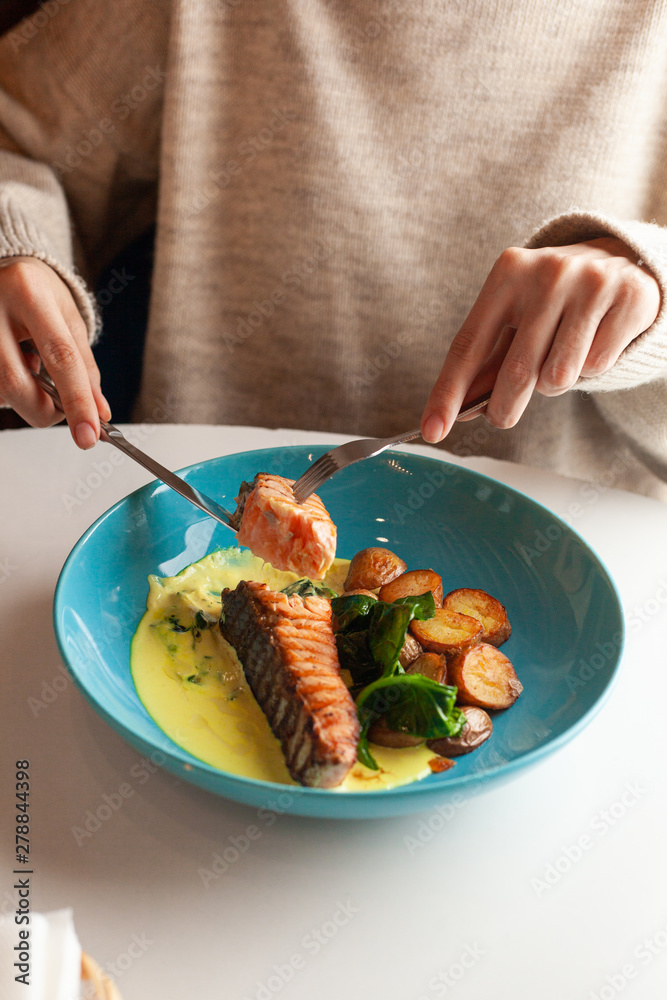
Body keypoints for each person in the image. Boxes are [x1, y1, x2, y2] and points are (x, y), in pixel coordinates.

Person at [0, 0, 666, 501]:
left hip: (586, 564)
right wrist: (14, 245)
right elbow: (16, 133)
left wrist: (649, 289)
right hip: (183, 534)